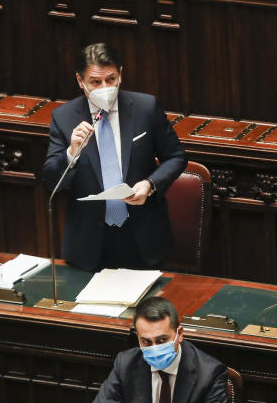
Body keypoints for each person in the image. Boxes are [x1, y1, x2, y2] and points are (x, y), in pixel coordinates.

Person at [42, 43, 187, 272]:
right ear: (80, 82)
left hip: (142, 238)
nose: (105, 87)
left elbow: (176, 157)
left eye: (111, 79)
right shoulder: (64, 117)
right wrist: (72, 153)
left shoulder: (145, 108)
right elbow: (51, 181)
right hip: (89, 245)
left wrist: (149, 185)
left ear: (121, 74)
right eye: (96, 82)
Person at [80, 297, 229, 403]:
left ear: (179, 334)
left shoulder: (209, 373)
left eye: (161, 340)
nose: (154, 348)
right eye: (146, 342)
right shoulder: (127, 363)